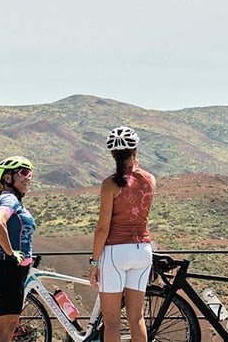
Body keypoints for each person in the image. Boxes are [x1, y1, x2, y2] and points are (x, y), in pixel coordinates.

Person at [90, 126, 155, 342]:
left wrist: (93, 262)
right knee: (137, 318)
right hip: (143, 250)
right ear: (135, 150)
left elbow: (102, 228)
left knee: (112, 321)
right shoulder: (150, 180)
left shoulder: (110, 184)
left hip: (115, 251)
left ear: (111, 154)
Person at [0, 155, 37, 342]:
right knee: (7, 329)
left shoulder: (9, 200)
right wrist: (10, 253)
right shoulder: (9, 200)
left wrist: (1, 252)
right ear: (7, 178)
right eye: (23, 172)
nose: (28, 177)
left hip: (6, 269)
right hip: (11, 271)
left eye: (30, 174)